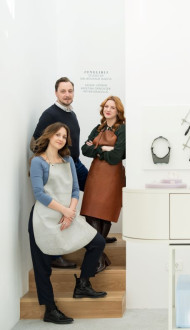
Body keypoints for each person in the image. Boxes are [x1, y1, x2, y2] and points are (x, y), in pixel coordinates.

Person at [29, 122, 107, 324]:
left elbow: (74, 190)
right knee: (43, 267)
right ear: (49, 136)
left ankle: (82, 284)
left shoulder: (68, 160)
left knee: (97, 242)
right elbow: (39, 193)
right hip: (44, 219)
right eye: (58, 134)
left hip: (68, 214)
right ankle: (50, 309)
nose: (61, 138)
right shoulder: (38, 162)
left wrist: (70, 212)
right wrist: (64, 211)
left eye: (64, 136)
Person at [80, 96, 126, 273]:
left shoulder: (122, 129)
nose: (108, 109)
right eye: (106, 106)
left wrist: (97, 149)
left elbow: (117, 156)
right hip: (95, 174)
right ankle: (99, 256)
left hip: (112, 175)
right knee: (90, 213)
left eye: (112, 107)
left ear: (118, 111)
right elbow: (85, 149)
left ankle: (98, 257)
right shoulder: (98, 128)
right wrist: (104, 149)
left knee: (105, 213)